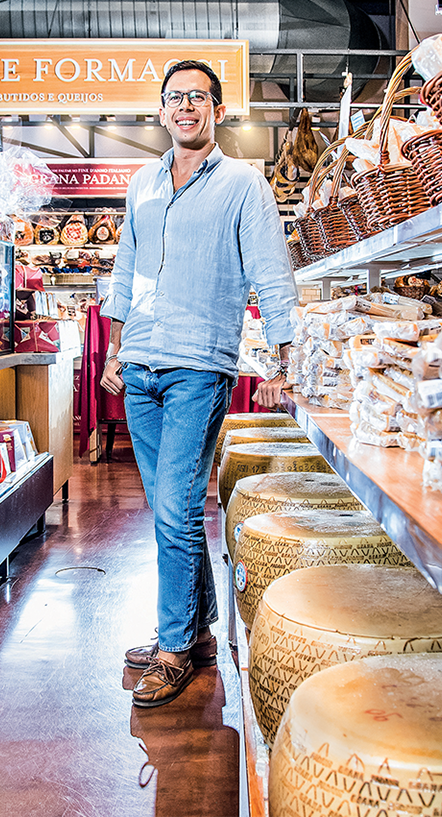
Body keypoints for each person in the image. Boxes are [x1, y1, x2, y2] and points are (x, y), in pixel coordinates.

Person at [100, 59, 298, 708]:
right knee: (167, 507)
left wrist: (282, 357)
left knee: (179, 509)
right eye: (175, 97)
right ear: (161, 110)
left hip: (197, 366)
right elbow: (125, 267)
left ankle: (174, 644)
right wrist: (114, 347)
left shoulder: (242, 183)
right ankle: (196, 630)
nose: (186, 106)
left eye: (198, 97)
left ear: (216, 110)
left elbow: (269, 269)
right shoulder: (143, 183)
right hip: (143, 364)